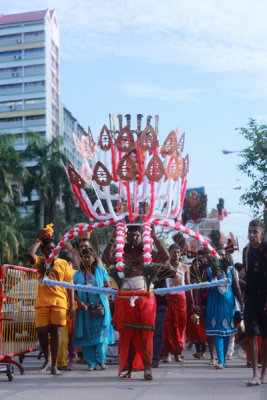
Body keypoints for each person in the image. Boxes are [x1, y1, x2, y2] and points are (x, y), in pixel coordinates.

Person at [104, 224, 169, 380]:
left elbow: (165, 256)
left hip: (144, 298)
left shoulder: (147, 253)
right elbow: (105, 259)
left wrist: (154, 236)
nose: (133, 237)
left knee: (145, 334)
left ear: (142, 237)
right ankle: (129, 369)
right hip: (125, 299)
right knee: (128, 335)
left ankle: (148, 369)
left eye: (137, 235)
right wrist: (113, 239)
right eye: (130, 234)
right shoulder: (122, 253)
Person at [27, 227, 75, 375]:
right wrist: (39, 241)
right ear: (43, 250)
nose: (51, 251)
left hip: (59, 301)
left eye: (54, 248)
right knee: (41, 332)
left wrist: (72, 305)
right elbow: (29, 254)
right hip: (42, 302)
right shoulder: (40, 261)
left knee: (56, 332)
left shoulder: (63, 263)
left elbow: (70, 286)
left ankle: (54, 365)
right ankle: (47, 359)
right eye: (48, 249)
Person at [73, 243, 114, 371]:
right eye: (84, 257)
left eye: (89, 257)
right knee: (86, 336)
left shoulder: (101, 270)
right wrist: (79, 302)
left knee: (101, 335)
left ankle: (101, 361)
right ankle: (91, 363)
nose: (86, 259)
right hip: (84, 308)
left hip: (100, 306)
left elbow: (109, 287)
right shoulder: (78, 273)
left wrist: (99, 289)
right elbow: (73, 290)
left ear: (94, 258)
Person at [203, 254, 243, 369]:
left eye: (222, 254)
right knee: (217, 331)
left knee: (227, 332)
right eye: (218, 255)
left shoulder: (231, 269)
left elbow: (236, 288)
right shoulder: (209, 271)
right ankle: (220, 361)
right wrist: (213, 279)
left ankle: (223, 360)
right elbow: (203, 288)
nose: (220, 257)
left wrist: (241, 303)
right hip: (214, 304)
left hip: (228, 305)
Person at [243, 219, 267, 386]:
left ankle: (264, 373)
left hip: (265, 299)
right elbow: (246, 274)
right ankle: (255, 375)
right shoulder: (246, 251)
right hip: (250, 299)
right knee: (252, 335)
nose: (251, 235)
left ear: (262, 234)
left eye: (255, 232)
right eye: (250, 232)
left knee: (265, 338)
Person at [162, 242, 194, 362]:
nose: (176, 254)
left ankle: (177, 353)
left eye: (178, 252)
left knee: (180, 326)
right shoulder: (164, 266)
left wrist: (192, 302)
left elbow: (188, 284)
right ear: (169, 253)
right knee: (168, 326)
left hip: (181, 300)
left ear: (181, 254)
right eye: (173, 251)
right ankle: (167, 353)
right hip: (168, 298)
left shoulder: (185, 267)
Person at [152, 264, 181, 367]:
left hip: (160, 304)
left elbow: (178, 276)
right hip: (145, 303)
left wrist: (168, 290)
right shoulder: (141, 264)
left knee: (157, 332)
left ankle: (155, 358)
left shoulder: (162, 267)